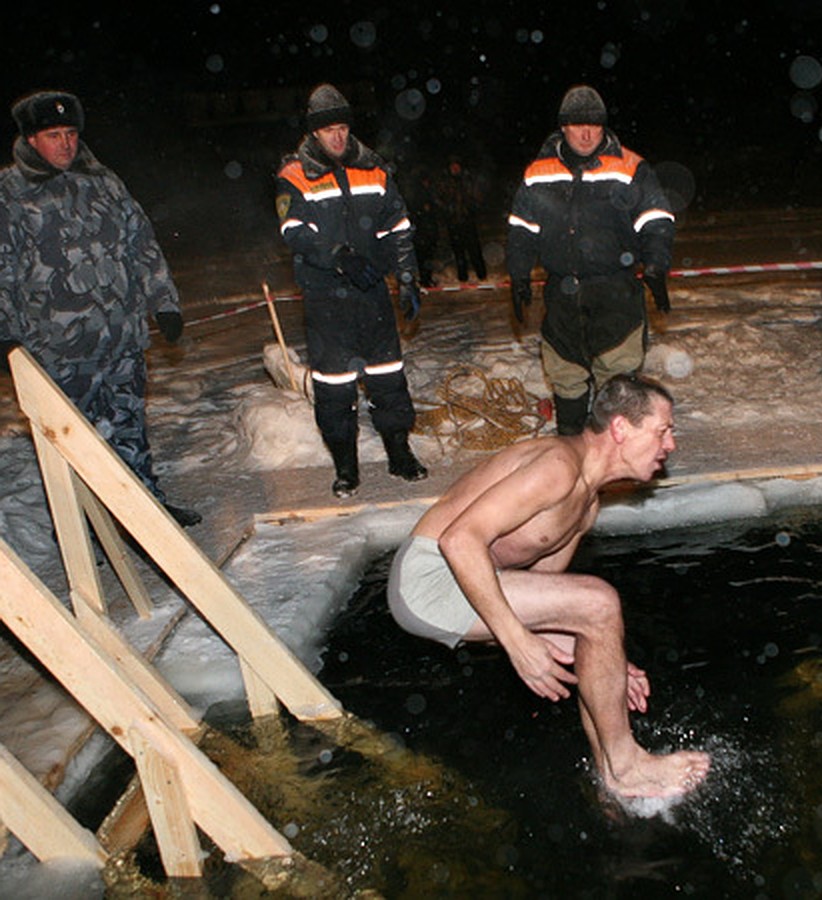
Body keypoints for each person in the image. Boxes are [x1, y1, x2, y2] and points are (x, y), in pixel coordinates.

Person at [387, 374, 710, 799]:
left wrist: (608, 661)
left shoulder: (587, 504)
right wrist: (517, 643)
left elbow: (546, 592)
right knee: (599, 603)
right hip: (429, 578)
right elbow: (458, 540)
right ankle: (628, 765)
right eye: (663, 431)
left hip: (470, 579)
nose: (670, 445)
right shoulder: (557, 467)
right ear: (620, 428)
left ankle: (611, 780)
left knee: (595, 626)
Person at [0, 90, 201, 526]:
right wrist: (6, 336)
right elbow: (2, 270)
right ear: (32, 139)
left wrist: (162, 300)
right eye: (54, 135)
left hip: (121, 337)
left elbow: (141, 242)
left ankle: (145, 517)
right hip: (58, 350)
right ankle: (79, 527)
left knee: (130, 430)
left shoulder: (103, 181)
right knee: (70, 443)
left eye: (71, 134)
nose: (66, 144)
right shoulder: (10, 194)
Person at [276, 83, 427, 498]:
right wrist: (339, 256)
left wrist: (408, 276)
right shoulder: (295, 175)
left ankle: (400, 453)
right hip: (327, 301)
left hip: (371, 295)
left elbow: (398, 226)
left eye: (343, 128)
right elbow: (294, 231)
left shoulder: (374, 170)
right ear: (314, 134)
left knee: (388, 378)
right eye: (329, 131)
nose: (338, 138)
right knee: (334, 388)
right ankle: (346, 467)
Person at [506, 85, 675, 436]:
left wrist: (656, 264)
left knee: (618, 386)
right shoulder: (539, 172)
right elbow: (522, 229)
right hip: (563, 298)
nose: (586, 133)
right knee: (566, 376)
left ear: (604, 127)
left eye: (594, 125)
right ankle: (571, 453)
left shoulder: (629, 167)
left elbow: (656, 218)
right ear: (563, 127)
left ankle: (616, 463)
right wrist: (518, 274)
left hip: (616, 295)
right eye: (577, 125)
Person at [436, 156, 487, 283]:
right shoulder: (445, 181)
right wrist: (448, 210)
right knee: (458, 251)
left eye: (456, 166)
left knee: (474, 248)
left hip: (467, 219)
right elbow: (439, 198)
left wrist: (471, 208)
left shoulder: (467, 180)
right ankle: (463, 276)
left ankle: (481, 274)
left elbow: (477, 196)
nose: (454, 168)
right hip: (453, 221)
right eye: (452, 166)